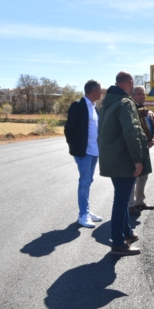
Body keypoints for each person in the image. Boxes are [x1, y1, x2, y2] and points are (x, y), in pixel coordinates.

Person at [98, 72, 152, 256]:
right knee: (121, 201)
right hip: (123, 159)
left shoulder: (107, 103)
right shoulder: (125, 103)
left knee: (121, 195)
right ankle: (118, 242)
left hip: (111, 158)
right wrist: (138, 159)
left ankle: (127, 232)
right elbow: (132, 132)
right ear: (130, 83)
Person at [64, 80, 103, 228]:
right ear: (93, 91)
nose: (101, 93)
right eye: (99, 90)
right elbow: (69, 129)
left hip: (94, 151)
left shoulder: (94, 107)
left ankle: (86, 210)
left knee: (88, 181)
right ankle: (83, 215)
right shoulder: (78, 106)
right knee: (84, 182)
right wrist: (75, 146)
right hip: (84, 152)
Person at [128, 86, 154, 214]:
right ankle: (130, 205)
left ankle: (139, 202)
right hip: (135, 148)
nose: (142, 96)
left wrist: (153, 139)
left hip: (145, 148)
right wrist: (147, 111)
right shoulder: (131, 109)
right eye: (139, 94)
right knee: (133, 177)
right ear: (133, 96)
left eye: (144, 94)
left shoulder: (144, 110)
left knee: (143, 176)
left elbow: (150, 128)